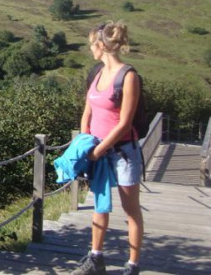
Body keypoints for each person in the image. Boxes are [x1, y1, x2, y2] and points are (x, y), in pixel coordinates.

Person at [72, 21, 144, 275]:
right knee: (99, 204)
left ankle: (132, 265)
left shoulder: (128, 76)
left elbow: (125, 123)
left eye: (92, 44)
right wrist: (84, 144)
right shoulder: (96, 73)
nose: (90, 48)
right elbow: (87, 112)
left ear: (101, 46)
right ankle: (96, 258)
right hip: (98, 150)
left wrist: (99, 149)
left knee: (131, 209)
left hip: (123, 152)